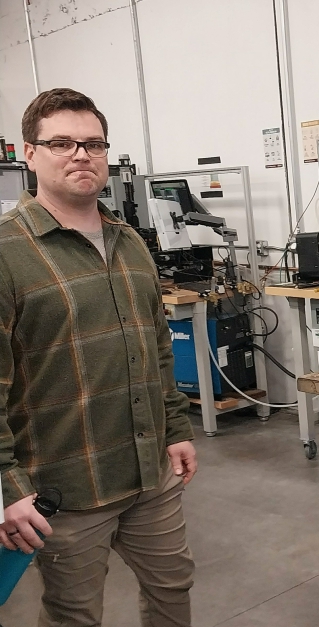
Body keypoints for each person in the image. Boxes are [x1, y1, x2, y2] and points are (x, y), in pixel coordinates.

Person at [0, 88, 197, 626]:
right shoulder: (8, 253)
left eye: (93, 144)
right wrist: (7, 489)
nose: (81, 155)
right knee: (75, 615)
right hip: (64, 486)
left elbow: (157, 347)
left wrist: (176, 429)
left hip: (149, 471)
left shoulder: (130, 242)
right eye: (61, 143)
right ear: (30, 154)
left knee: (173, 586)